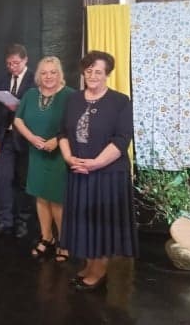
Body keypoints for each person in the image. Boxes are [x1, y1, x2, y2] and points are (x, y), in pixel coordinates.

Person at [58, 50, 138, 292]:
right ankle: (90, 264)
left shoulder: (120, 101)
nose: (93, 75)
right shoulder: (73, 99)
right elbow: (62, 133)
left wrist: (96, 163)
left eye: (98, 72)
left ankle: (99, 269)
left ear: (107, 74)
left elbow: (122, 139)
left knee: (101, 223)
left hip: (108, 175)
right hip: (79, 171)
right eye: (89, 70)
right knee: (85, 222)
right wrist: (68, 158)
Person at [14, 56, 74, 260]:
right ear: (39, 75)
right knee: (40, 197)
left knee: (56, 200)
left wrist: (57, 140)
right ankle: (46, 237)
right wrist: (31, 138)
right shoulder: (31, 94)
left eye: (53, 72)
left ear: (60, 74)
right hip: (37, 153)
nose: (48, 76)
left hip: (59, 154)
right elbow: (18, 119)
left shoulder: (70, 95)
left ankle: (64, 242)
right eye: (44, 73)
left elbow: (75, 124)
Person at [0, 44, 35, 239]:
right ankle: (5, 221)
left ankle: (22, 222)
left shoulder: (34, 80)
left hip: (26, 138)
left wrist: (20, 108)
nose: (12, 67)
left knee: (23, 181)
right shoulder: (4, 79)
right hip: (6, 137)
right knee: (3, 179)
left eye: (16, 63)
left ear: (25, 60)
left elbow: (38, 109)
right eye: (9, 64)